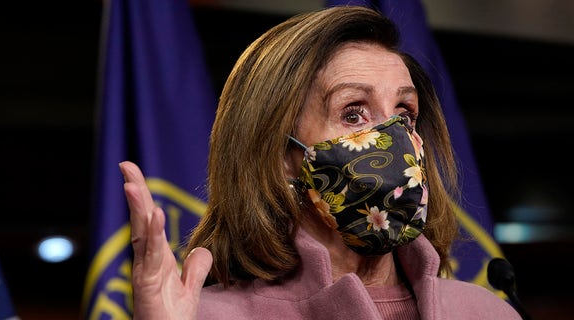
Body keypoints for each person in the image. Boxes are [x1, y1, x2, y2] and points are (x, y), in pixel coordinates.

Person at [119, 5, 522, 320]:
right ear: (280, 156)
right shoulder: (206, 316)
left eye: (405, 113)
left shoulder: (487, 312)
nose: (396, 140)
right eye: (353, 113)